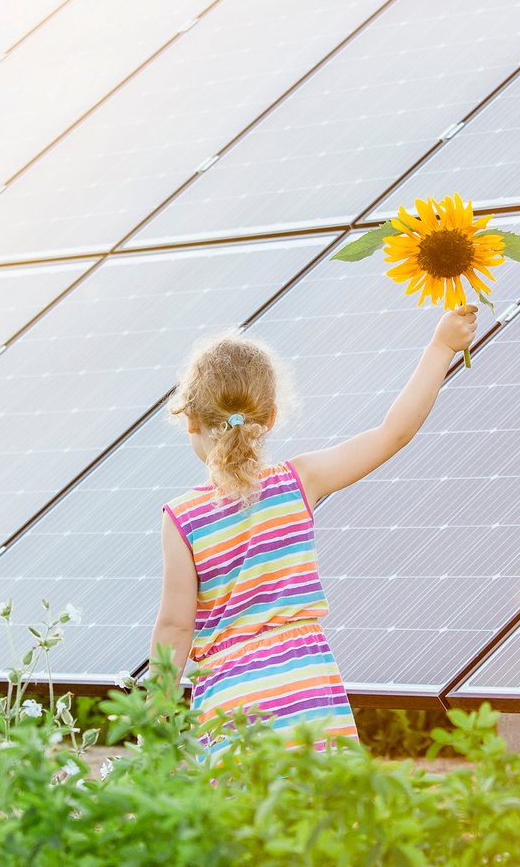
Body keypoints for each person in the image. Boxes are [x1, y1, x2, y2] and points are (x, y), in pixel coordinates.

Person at [148, 304, 478, 762]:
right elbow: (393, 433)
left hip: (231, 703)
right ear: (273, 416)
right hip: (308, 690)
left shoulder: (182, 518)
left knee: (246, 827)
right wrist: (442, 346)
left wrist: (155, 715)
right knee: (322, 821)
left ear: (190, 420)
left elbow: (176, 626)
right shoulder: (298, 482)